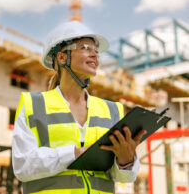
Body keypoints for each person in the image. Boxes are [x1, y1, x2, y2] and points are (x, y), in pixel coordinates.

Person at [12, 21, 147, 194]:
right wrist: (74, 154)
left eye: (96, 51)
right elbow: (22, 166)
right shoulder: (34, 105)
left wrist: (126, 161)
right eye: (85, 47)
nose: (95, 56)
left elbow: (123, 178)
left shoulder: (112, 110)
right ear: (61, 57)